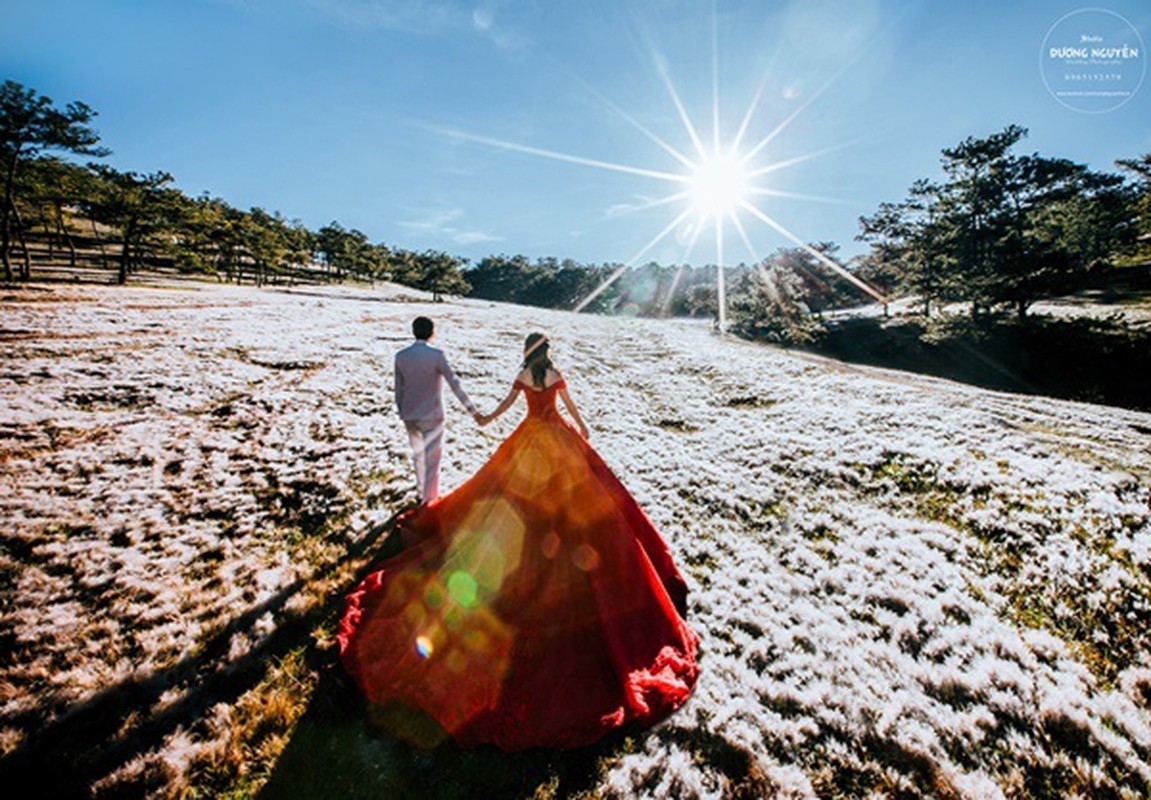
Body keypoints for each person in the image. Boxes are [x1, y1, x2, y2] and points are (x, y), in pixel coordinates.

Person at [339, 332, 698, 751]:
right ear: (548, 352)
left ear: (527, 353)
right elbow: (568, 407)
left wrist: (488, 419)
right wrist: (580, 429)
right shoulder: (555, 373)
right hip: (559, 440)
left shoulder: (524, 374)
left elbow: (511, 408)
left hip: (529, 440)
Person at [393, 316, 481, 504]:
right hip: (432, 415)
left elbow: (398, 388)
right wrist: (473, 411)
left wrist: (401, 410)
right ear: (432, 332)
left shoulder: (401, 356)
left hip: (409, 414)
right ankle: (429, 501)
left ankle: (420, 493)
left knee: (418, 455)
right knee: (432, 461)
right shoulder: (437, 355)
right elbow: (454, 384)